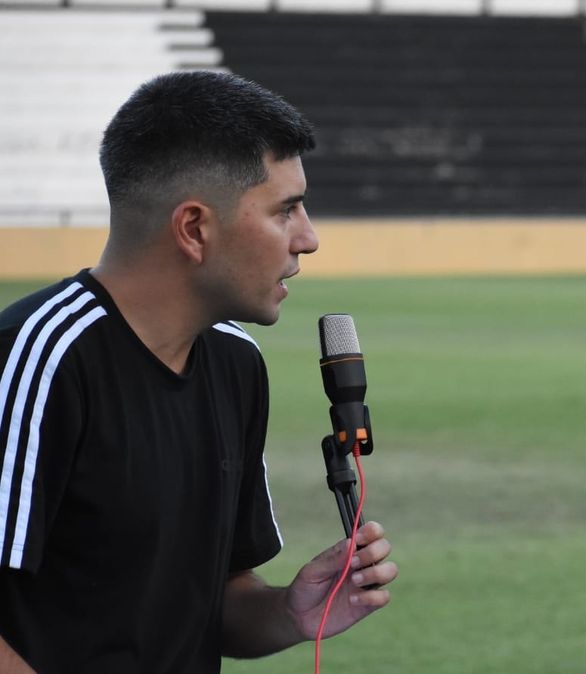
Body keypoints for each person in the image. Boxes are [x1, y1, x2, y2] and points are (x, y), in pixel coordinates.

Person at [0, 71, 398, 672]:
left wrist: (290, 612)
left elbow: (216, 598)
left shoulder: (236, 361)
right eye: (285, 210)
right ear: (194, 228)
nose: (308, 238)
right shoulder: (39, 357)